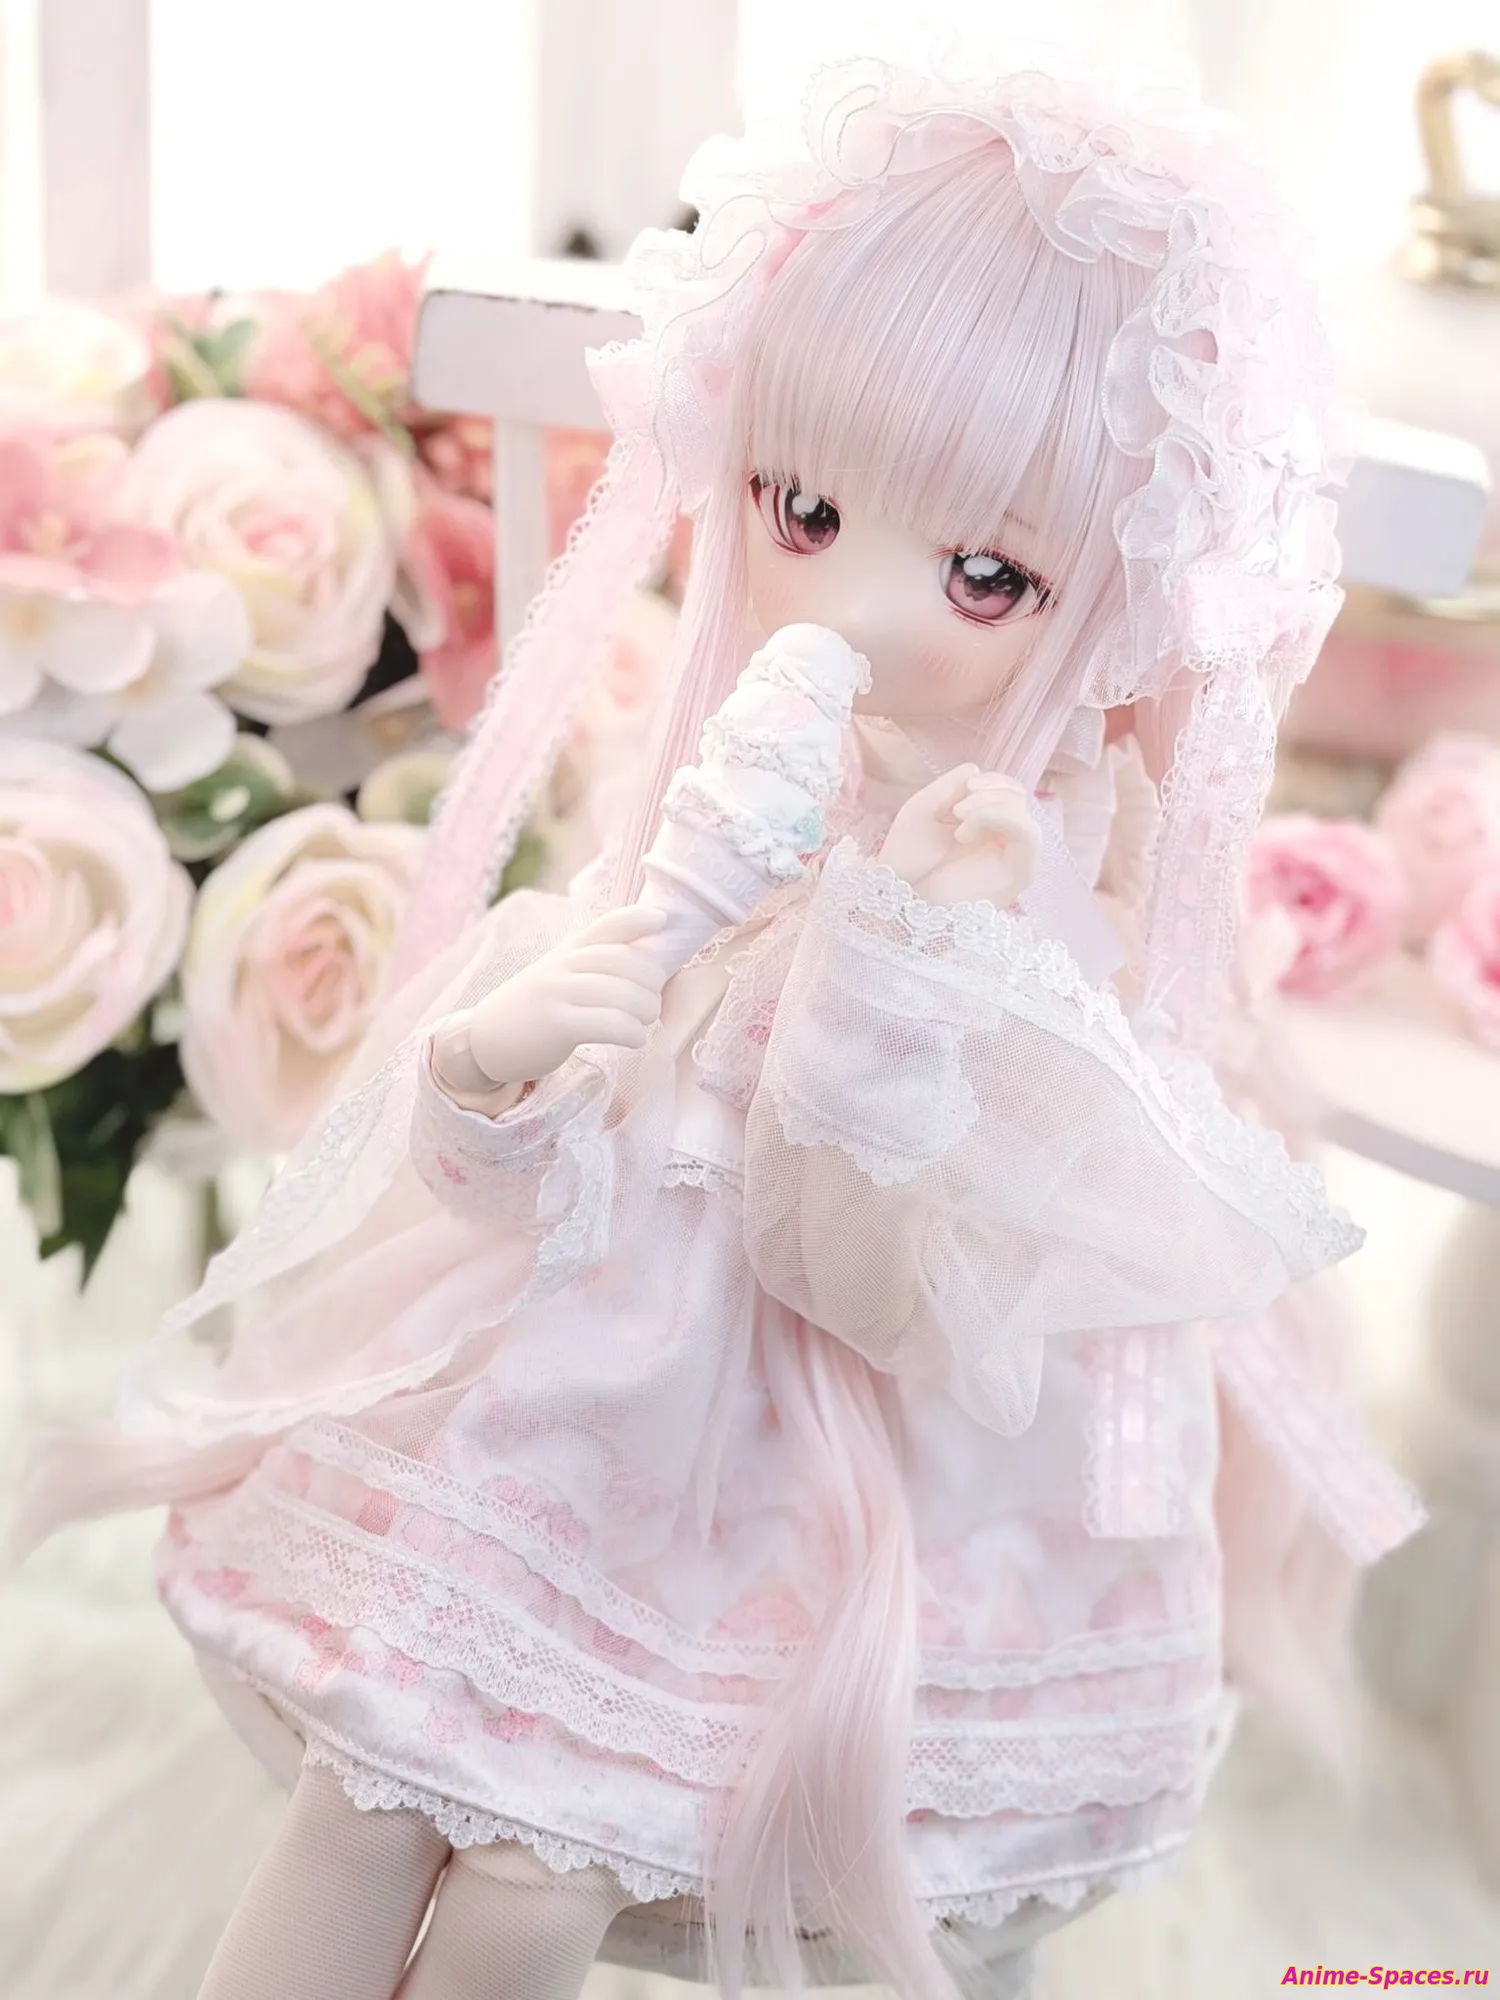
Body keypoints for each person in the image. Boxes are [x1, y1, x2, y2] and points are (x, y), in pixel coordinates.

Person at [13, 47, 1420, 2000]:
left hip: (807, 1525)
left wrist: (880, 1011)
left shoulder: (1013, 897)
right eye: (802, 505)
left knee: (529, 1875)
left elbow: (888, 1298)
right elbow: (505, 1202)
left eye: (987, 573)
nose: (850, 603)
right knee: (363, 1796)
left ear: (1116, 596)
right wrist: (492, 1069)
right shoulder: (731, 790)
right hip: (558, 1434)